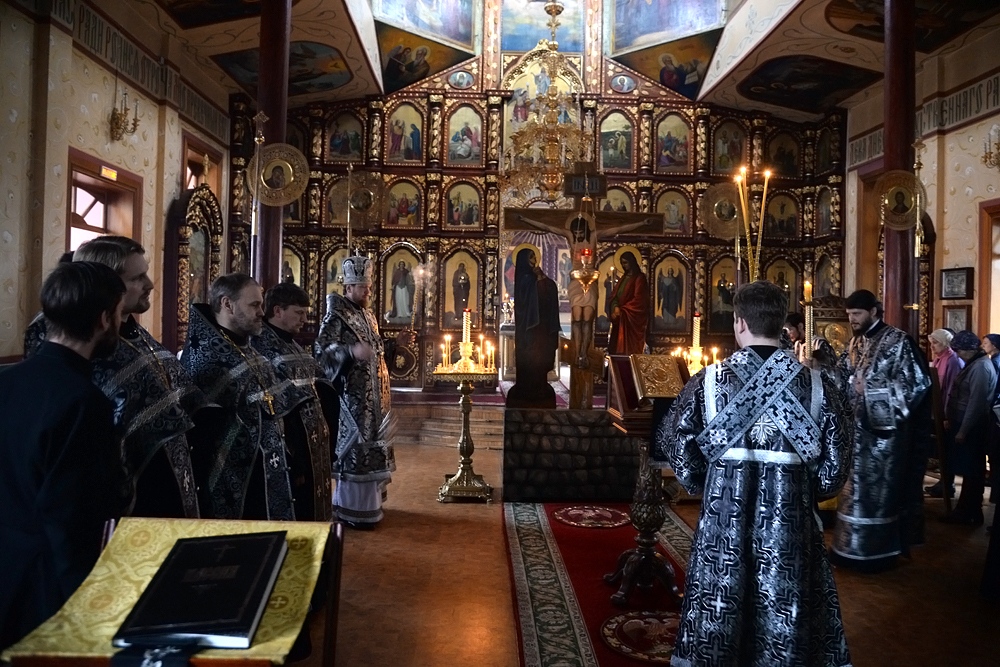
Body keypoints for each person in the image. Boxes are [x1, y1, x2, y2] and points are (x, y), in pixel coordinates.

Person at [652, 281, 852, 666]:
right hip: (790, 532)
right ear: (780, 324)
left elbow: (677, 448)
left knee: (719, 612)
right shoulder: (818, 385)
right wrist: (803, 489)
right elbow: (834, 472)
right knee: (785, 612)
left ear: (739, 322)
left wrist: (708, 482)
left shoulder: (708, 381)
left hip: (723, 527)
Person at [23, 237, 203, 519]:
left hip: (170, 479)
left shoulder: (135, 333)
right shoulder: (74, 338)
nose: (150, 284)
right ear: (106, 284)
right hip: (120, 495)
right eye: (137, 277)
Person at [0, 262, 131, 649]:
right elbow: (70, 519)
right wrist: (88, 610)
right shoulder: (83, 402)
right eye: (120, 314)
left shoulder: (6, 382)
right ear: (104, 319)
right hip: (44, 591)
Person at [181, 273, 295, 521]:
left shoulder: (249, 350)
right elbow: (202, 437)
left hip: (268, 474)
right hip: (229, 486)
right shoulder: (206, 359)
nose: (262, 312)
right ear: (227, 304)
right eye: (254, 305)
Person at [831, 289, 931, 571]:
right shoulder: (855, 342)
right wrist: (821, 370)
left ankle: (878, 552)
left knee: (877, 498)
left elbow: (916, 384)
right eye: (849, 315)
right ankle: (847, 548)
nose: (852, 320)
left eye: (857, 314)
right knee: (851, 495)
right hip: (856, 436)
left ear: (873, 311)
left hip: (884, 440)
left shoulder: (899, 342)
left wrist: (872, 390)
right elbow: (842, 376)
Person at [315, 255, 414, 529]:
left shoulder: (368, 315)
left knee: (374, 444)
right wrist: (349, 352)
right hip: (354, 400)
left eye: (369, 286)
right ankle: (351, 509)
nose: (368, 291)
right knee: (357, 450)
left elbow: (376, 350)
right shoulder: (335, 315)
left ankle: (371, 505)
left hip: (376, 400)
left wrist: (395, 343)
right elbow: (321, 352)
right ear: (348, 287)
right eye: (363, 287)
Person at [518, 211, 650, 368]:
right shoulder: (570, 236)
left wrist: (641, 223)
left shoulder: (593, 236)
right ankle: (577, 353)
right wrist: (525, 219)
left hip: (590, 280)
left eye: (581, 232)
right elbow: (548, 227)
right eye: (576, 232)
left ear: (586, 230)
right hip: (576, 282)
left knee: (587, 318)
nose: (578, 235)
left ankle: (583, 354)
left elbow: (618, 229)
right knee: (577, 318)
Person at [252, 283, 337, 522]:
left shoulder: (292, 344)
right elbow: (278, 410)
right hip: (295, 454)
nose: (304, 319)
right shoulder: (263, 348)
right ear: (278, 311)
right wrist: (295, 460)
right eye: (299, 313)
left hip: (314, 449)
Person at [939, 331, 997, 525]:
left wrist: (963, 430)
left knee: (972, 470)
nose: (958, 354)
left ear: (970, 350)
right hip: (965, 423)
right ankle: (965, 510)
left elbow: (976, 402)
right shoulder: (974, 363)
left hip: (973, 426)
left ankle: (970, 512)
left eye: (960, 351)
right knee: (969, 469)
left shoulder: (980, 367)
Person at [507, 248, 561, 409]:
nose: (534, 260)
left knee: (541, 359)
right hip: (529, 332)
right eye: (530, 257)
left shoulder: (538, 277)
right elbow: (532, 297)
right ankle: (526, 390)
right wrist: (540, 281)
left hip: (542, 329)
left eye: (534, 257)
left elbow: (549, 291)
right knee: (529, 360)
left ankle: (540, 388)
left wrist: (542, 278)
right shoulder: (524, 280)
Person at [924, 329, 965, 499]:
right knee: (941, 450)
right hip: (936, 410)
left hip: (947, 412)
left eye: (936, 343)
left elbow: (950, 390)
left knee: (947, 450)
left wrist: (946, 415)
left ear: (945, 343)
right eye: (931, 343)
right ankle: (943, 483)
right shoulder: (939, 358)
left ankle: (947, 485)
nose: (932, 347)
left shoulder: (952, 360)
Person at [607, 251, 649, 355]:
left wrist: (622, 310)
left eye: (625, 263)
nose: (623, 265)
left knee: (630, 351)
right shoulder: (623, 278)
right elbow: (614, 296)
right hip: (620, 319)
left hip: (631, 320)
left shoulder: (639, 278)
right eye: (622, 263)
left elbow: (639, 299)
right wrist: (615, 307)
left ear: (632, 262)